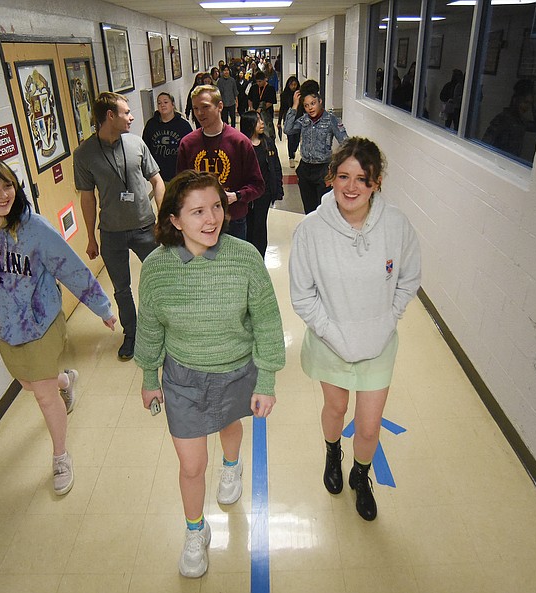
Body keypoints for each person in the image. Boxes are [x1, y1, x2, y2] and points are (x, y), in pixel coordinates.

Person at [134, 170, 285, 578]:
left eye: (216, 206)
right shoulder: (156, 269)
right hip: (182, 379)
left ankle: (232, 465)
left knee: (230, 425)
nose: (212, 218)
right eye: (198, 211)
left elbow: (268, 323)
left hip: (236, 370)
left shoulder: (245, 258)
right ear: (175, 220)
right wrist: (150, 377)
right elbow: (149, 326)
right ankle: (195, 531)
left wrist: (266, 380)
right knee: (191, 465)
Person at [0, 156, 118, 496]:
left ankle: (60, 455)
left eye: (8, 184)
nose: (2, 193)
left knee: (42, 394)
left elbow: (69, 267)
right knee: (29, 383)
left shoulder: (33, 228)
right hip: (3, 328)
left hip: (42, 322)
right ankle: (65, 380)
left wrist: (101, 306)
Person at [289, 137, 421, 521]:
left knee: (368, 425)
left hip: (378, 344)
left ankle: (361, 477)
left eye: (362, 179)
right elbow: (302, 295)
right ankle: (332, 453)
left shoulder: (396, 225)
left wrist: (387, 320)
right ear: (331, 177)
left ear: (376, 183)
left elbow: (408, 279)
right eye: (343, 176)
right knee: (336, 406)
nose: (351, 187)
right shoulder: (311, 230)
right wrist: (333, 332)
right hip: (330, 341)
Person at [73, 91, 165, 361]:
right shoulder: (84, 154)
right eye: (126, 112)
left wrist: (163, 218)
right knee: (121, 288)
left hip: (145, 227)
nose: (132, 116)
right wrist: (90, 237)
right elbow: (87, 197)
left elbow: (157, 181)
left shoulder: (136, 144)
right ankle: (132, 333)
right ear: (110, 116)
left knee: (158, 281)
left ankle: (162, 330)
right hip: (111, 232)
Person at [177, 84, 265, 240]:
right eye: (195, 108)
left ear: (220, 106)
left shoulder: (240, 142)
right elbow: (180, 186)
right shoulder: (187, 144)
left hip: (233, 219)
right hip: (199, 221)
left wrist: (236, 196)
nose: (199, 113)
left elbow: (258, 185)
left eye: (205, 107)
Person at [283, 83, 348, 214]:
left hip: (323, 171)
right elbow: (287, 129)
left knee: (324, 211)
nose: (310, 108)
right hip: (305, 170)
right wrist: (295, 106)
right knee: (309, 211)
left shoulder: (331, 120)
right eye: (306, 105)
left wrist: (336, 167)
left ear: (320, 101)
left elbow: (346, 143)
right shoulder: (304, 120)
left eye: (313, 103)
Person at [240, 111, 283, 258]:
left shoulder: (267, 142)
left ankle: (259, 258)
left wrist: (278, 189)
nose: (262, 123)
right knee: (247, 227)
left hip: (264, 193)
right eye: (258, 121)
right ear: (250, 124)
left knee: (259, 227)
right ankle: (247, 257)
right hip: (246, 194)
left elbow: (276, 166)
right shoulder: (242, 144)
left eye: (261, 120)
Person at [482, 78, 536, 159]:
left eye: (530, 103)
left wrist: (535, 107)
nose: (527, 107)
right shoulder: (502, 119)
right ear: (516, 100)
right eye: (525, 102)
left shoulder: (522, 121)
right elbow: (485, 144)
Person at [142, 92, 193, 182]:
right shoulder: (151, 124)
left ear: (172, 105)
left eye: (165, 102)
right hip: (159, 174)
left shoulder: (183, 125)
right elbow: (145, 148)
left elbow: (191, 148)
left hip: (179, 174)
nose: (162, 105)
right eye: (159, 103)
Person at [277, 75, 301, 168]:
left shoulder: (300, 94)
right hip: (288, 119)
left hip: (299, 119)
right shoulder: (284, 94)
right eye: (292, 85)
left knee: (297, 139)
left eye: (295, 84)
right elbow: (282, 108)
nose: (293, 87)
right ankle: (291, 157)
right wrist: (279, 122)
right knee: (290, 139)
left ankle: (293, 151)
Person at [247, 70, 277, 141]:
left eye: (260, 81)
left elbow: (271, 102)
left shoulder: (270, 88)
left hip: (266, 113)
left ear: (264, 80)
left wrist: (261, 109)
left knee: (267, 130)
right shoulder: (254, 87)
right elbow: (249, 99)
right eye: (257, 81)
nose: (258, 83)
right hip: (255, 112)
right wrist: (251, 108)